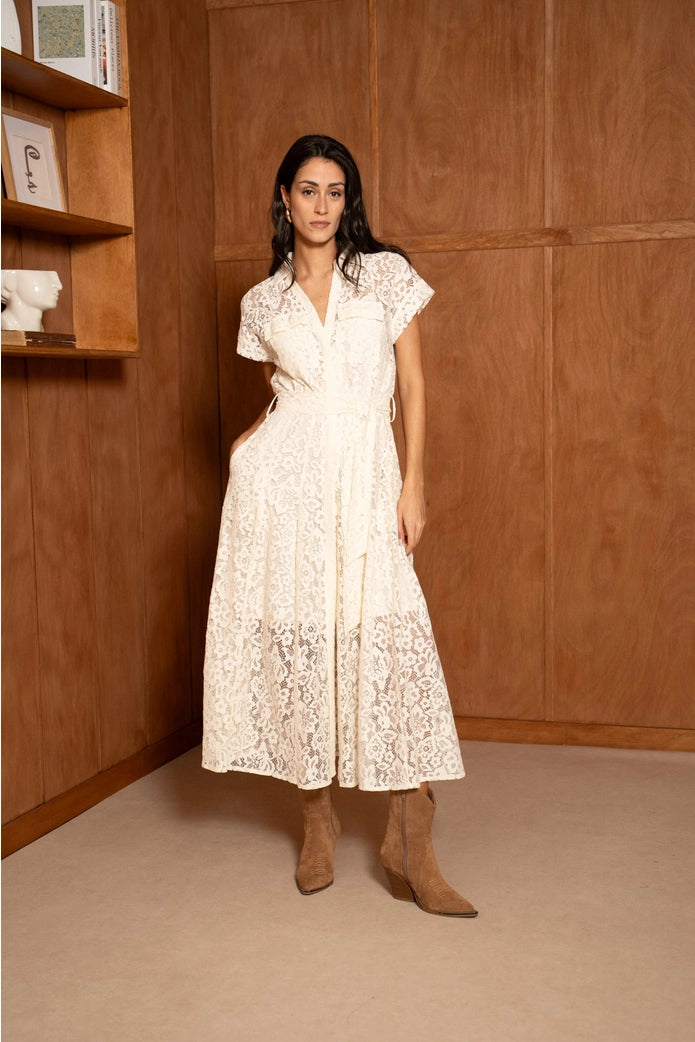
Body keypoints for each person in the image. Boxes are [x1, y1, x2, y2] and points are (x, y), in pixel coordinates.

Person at [203, 135, 477, 918]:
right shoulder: (263, 303)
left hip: (368, 477)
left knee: (389, 644)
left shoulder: (384, 277)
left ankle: (410, 846)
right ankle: (315, 821)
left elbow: (414, 385)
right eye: (307, 190)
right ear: (283, 199)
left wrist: (413, 483)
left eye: (334, 192)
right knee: (303, 639)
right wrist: (248, 443)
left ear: (346, 202)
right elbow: (286, 391)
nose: (321, 206)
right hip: (286, 490)